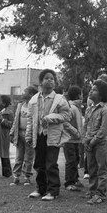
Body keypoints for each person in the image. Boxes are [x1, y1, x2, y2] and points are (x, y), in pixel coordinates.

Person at [26, 69, 72, 201]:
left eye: (52, 78)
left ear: (55, 83)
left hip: (53, 136)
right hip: (38, 135)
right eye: (46, 78)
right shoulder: (34, 99)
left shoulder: (60, 99)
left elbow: (66, 115)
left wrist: (50, 117)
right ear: (40, 82)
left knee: (51, 163)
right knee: (39, 163)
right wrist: (29, 135)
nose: (49, 80)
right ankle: (41, 189)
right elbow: (30, 119)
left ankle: (53, 190)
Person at [83, 79, 107, 205]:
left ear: (101, 94)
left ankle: (100, 193)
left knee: (102, 168)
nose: (91, 91)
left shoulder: (105, 111)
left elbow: (103, 130)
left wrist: (92, 141)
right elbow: (85, 126)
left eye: (94, 90)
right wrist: (85, 140)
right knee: (91, 168)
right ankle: (92, 191)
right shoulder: (89, 109)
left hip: (100, 144)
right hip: (90, 143)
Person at [9, 86, 38, 186]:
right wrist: (12, 133)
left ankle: (27, 177)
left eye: (24, 91)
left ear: (31, 94)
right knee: (18, 156)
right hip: (19, 133)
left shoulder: (35, 105)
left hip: (29, 134)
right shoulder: (20, 105)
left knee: (28, 157)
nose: (22, 93)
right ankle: (16, 176)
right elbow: (15, 120)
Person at [63, 85, 84, 192]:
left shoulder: (77, 108)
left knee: (76, 159)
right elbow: (65, 123)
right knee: (71, 160)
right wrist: (76, 133)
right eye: (81, 93)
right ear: (78, 95)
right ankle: (69, 182)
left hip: (75, 139)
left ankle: (75, 179)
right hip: (69, 139)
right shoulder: (71, 107)